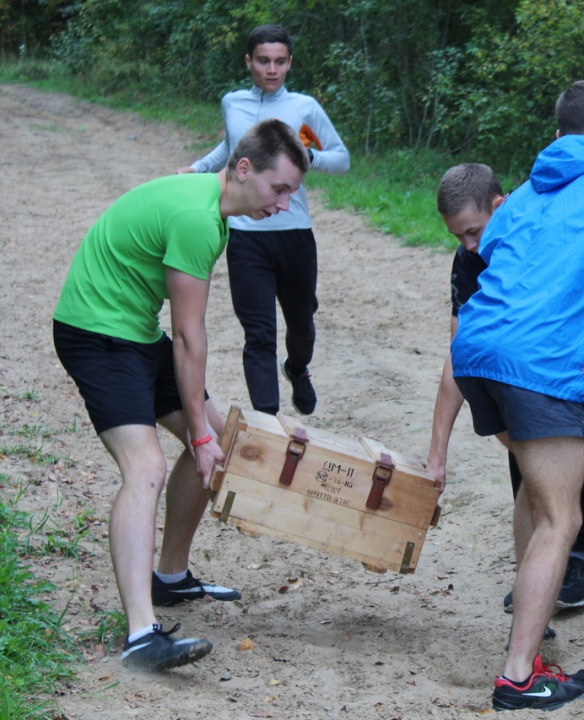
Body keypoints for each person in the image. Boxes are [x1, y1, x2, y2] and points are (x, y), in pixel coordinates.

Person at [54, 119, 310, 672]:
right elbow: (191, 336)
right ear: (243, 169)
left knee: (218, 441)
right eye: (279, 188)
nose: (285, 204)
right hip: (96, 334)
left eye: (291, 192)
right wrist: (193, 429)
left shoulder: (214, 211)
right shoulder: (198, 218)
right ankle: (142, 636)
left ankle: (169, 577)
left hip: (135, 332)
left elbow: (183, 342)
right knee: (145, 467)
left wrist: (202, 431)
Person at [451, 80, 584, 711]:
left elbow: (493, 254)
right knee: (563, 517)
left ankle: (533, 635)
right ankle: (519, 674)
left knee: (533, 491)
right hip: (539, 360)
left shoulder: (520, 195)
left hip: (477, 349)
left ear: (557, 136)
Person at [427, 163, 584, 619]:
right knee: (526, 439)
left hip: (572, 355)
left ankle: (572, 559)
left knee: (574, 432)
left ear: (500, 206)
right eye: (458, 237)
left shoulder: (548, 233)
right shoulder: (469, 259)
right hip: (519, 369)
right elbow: (459, 351)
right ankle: (538, 572)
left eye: (474, 231)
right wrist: (437, 455)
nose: (469, 246)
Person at [178, 23, 350, 416]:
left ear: (289, 63)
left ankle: (297, 368)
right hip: (246, 234)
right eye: (262, 61)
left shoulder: (303, 108)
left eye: (279, 62)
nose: (271, 70)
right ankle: (268, 421)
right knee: (259, 335)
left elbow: (342, 158)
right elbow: (231, 148)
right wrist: (197, 168)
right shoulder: (233, 103)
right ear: (248, 62)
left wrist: (311, 157)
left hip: (293, 232)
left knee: (302, 325)